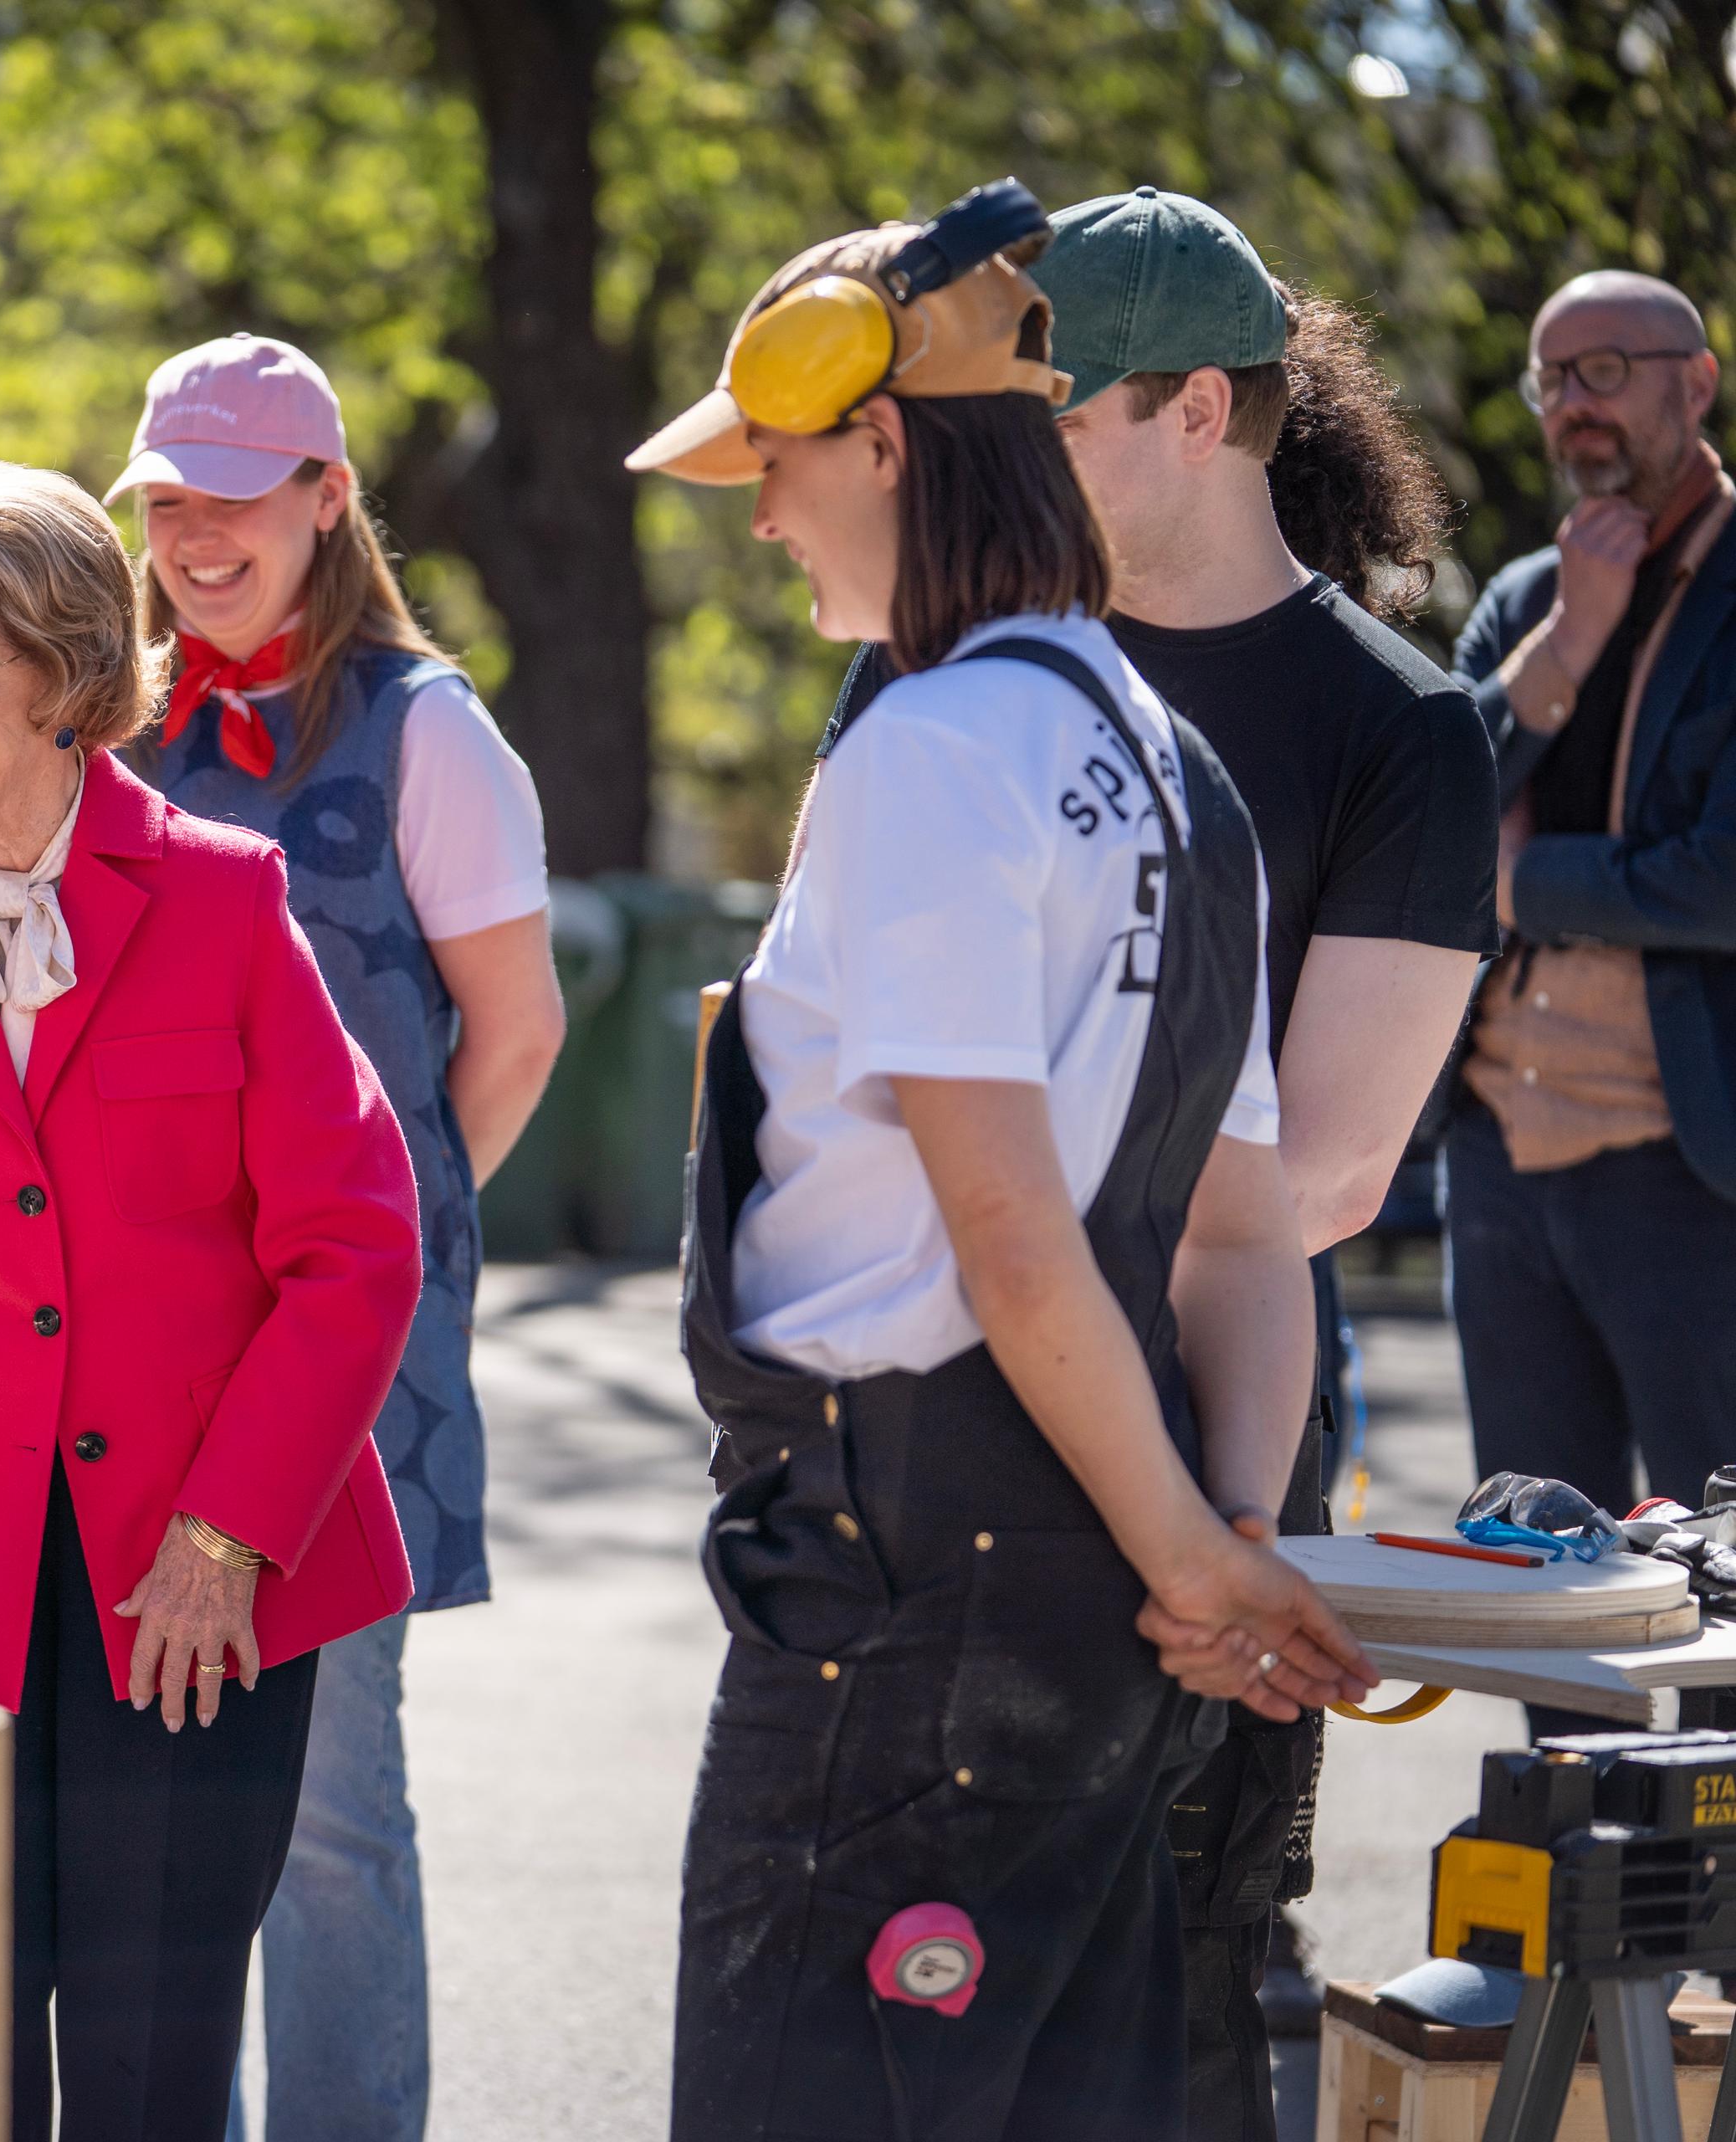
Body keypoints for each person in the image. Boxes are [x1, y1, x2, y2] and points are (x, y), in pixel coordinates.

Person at [636, 180, 1373, 2139]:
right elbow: (1241, 1238)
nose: (768, 519)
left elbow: (1012, 1237)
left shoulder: (931, 746)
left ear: (886, 439)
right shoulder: (1170, 762)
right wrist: (1213, 1550)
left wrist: (1202, 1559)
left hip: (902, 1589)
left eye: (780, 471)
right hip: (1101, 1602)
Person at [827, 187, 1500, 2134]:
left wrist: (1033, 1254)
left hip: (1210, 1420)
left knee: (1181, 1971)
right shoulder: (929, 678)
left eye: (1045, 419)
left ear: (1196, 411)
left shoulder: (1403, 728)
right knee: (895, 1982)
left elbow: (1341, 1166)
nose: (987, 469)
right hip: (913, 1430)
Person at [0, 459, 427, 2141]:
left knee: (150, 2068)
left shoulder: (224, 898)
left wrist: (225, 1537)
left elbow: (354, 1241)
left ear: (57, 673)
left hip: (192, 1584)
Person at [105, 331, 564, 2142]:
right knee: (144, 1806)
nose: (199, 534)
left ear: (328, 496)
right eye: (167, 500)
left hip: (336, 1344)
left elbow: (510, 1037)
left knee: (325, 1817)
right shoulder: (109, 720)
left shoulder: (428, 729)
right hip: (127, 1336)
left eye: (238, 496)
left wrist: (393, 1225)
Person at [1447, 269, 1736, 1531]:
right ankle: (1553, 1750)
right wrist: (1569, 641)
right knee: (1527, 1569)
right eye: (1552, 381)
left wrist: (1517, 879)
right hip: (1495, 1155)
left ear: (1699, 381)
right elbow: (1428, 820)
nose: (1574, 407)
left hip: (1690, 1163)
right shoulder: (1524, 600)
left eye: (1604, 370)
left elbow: (1722, 880)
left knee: (1719, 1590)